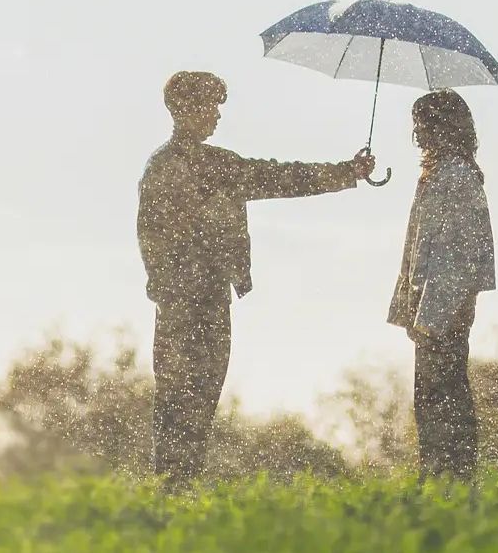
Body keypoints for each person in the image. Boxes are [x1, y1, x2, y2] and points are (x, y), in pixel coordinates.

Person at [137, 70, 376, 486]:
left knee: (200, 409)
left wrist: (347, 172)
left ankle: (181, 495)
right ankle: (171, 496)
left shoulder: (219, 164)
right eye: (209, 106)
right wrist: (181, 290)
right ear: (184, 110)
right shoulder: (164, 169)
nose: (216, 115)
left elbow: (280, 177)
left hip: (210, 304)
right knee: (177, 411)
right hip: (182, 310)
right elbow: (153, 246)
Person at [387, 89, 495, 481]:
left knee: (445, 398)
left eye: (425, 125)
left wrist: (431, 317)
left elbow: (459, 258)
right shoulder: (437, 177)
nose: (419, 134)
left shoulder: (459, 178)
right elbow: (418, 250)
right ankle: (436, 476)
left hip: (445, 311)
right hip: (431, 310)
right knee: (431, 399)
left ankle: (452, 479)